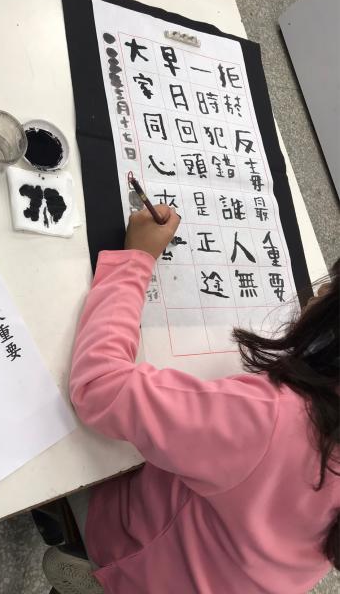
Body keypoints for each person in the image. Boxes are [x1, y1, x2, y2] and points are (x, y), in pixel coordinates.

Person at [43, 205, 339, 594]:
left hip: (134, 565)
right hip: (219, 568)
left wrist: (136, 259)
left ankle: (59, 529)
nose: (319, 290)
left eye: (332, 288)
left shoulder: (273, 419)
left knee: (55, 442)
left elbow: (99, 386)